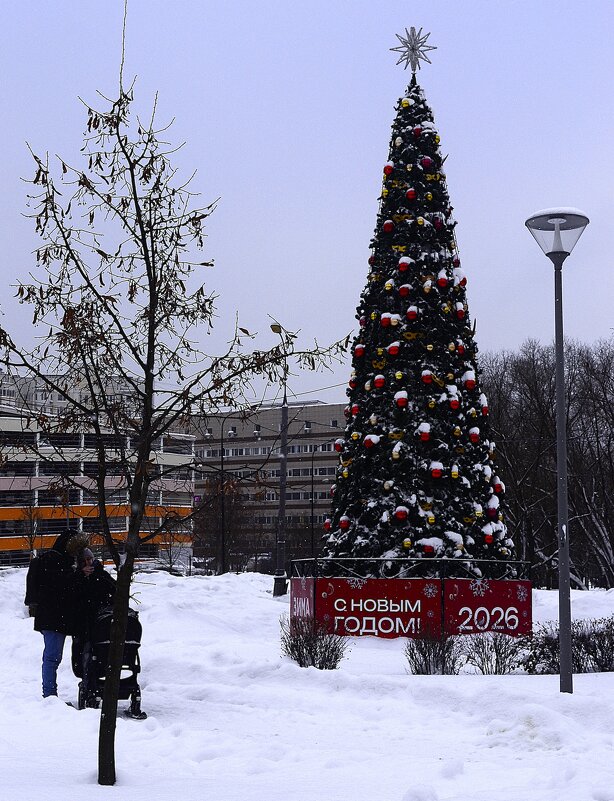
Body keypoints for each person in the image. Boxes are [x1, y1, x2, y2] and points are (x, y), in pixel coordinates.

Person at [24, 530, 81, 698]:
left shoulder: (51, 560)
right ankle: (49, 695)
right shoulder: (58, 563)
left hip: (51, 617)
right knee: (52, 657)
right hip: (54, 618)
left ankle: (50, 694)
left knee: (52, 657)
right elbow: (62, 587)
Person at [73, 547, 116, 707]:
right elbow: (73, 596)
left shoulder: (101, 575)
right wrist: (81, 576)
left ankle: (94, 685)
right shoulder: (77, 577)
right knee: (86, 655)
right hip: (85, 626)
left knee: (97, 654)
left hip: (101, 624)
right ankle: (89, 684)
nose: (89, 563)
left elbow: (114, 590)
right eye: (85, 561)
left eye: (90, 559)